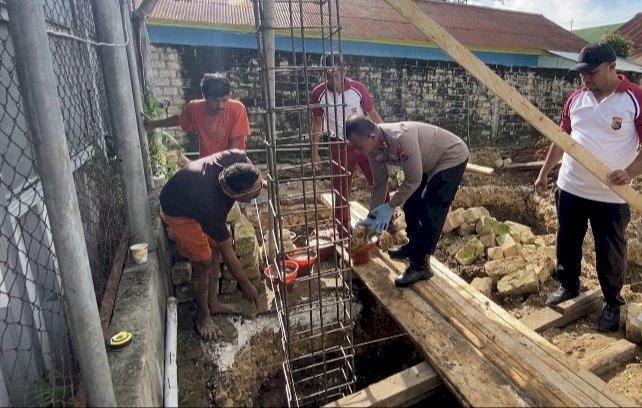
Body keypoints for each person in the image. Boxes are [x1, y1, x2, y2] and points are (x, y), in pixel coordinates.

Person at [535, 43, 642, 332]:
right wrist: (545, 172)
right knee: (567, 243)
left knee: (610, 251)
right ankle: (568, 285)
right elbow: (561, 139)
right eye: (581, 74)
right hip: (570, 188)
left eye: (591, 73)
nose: (585, 79)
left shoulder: (634, 98)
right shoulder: (575, 99)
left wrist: (631, 172)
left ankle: (611, 302)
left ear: (611, 67)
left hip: (611, 196)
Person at [346, 116, 469, 287]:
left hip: (450, 157)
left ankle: (421, 265)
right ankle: (413, 246)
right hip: (426, 162)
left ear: (372, 137)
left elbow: (413, 180)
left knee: (430, 211)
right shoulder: (372, 149)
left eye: (358, 146)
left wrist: (389, 207)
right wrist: (373, 216)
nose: (358, 151)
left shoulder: (400, 138)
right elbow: (380, 183)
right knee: (411, 203)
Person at [160, 149, 262, 340]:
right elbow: (229, 254)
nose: (259, 191)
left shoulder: (236, 158)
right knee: (203, 262)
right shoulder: (212, 209)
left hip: (191, 190)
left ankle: (213, 303)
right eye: (253, 196)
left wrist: (257, 177)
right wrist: (247, 286)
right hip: (178, 207)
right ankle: (203, 317)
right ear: (238, 196)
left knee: (214, 249)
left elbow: (247, 160)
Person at [310, 52, 384, 237]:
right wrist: (315, 152)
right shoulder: (318, 94)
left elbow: (372, 114)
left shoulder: (357, 89)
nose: (333, 80)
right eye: (327, 75)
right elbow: (317, 123)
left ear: (344, 71)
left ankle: (385, 220)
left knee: (377, 180)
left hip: (365, 143)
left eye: (336, 75)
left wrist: (385, 138)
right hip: (339, 146)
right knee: (341, 188)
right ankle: (342, 228)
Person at [144, 73, 250, 158]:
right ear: (205, 97)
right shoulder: (194, 108)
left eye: (224, 100)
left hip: (233, 163)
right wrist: (152, 124)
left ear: (229, 95)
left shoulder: (238, 109)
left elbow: (234, 143)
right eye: (216, 101)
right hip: (207, 163)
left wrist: (225, 167)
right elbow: (179, 120)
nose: (221, 106)